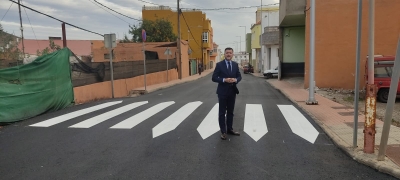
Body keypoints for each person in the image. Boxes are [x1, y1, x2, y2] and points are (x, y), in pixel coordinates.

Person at [212, 47, 242, 140]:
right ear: (224, 54)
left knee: (230, 112)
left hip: (232, 91)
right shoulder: (219, 65)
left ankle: (230, 129)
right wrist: (224, 80)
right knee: (222, 112)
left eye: (230, 53)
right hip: (222, 92)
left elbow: (239, 76)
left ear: (232, 54)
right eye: (227, 53)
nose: (228, 54)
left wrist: (235, 80)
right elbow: (214, 78)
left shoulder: (235, 65)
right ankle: (223, 132)